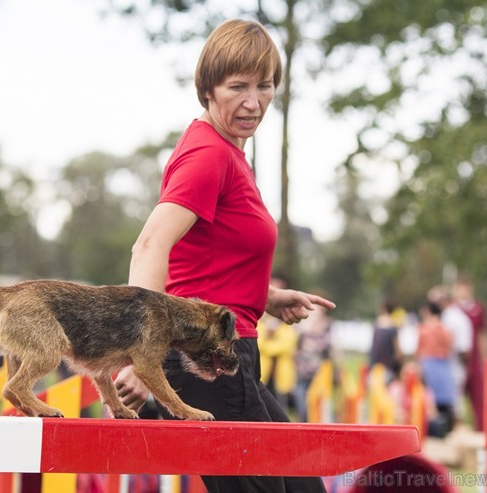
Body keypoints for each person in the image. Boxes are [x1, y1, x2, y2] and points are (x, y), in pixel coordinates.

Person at [113, 18, 334, 493]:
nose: (253, 102)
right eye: (237, 86)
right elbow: (150, 245)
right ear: (208, 89)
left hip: (230, 350)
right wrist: (141, 356)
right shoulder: (208, 155)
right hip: (208, 358)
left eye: (265, 85)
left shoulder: (231, 153)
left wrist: (265, 296)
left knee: (303, 486)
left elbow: (203, 261)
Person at [428, 284, 473, 424]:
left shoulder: (455, 318)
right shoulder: (446, 317)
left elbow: (464, 349)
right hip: (443, 368)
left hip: (453, 368)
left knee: (455, 405)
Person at [453, 275, 487, 431]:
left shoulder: (478, 309)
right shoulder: (452, 310)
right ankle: (456, 431)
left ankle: (481, 431)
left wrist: (486, 359)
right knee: (456, 399)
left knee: (479, 397)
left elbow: (483, 336)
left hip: (474, 360)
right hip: (456, 361)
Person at [415, 301, 455, 436]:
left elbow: (419, 350)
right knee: (444, 401)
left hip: (428, 365)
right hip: (443, 366)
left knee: (428, 400)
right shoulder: (446, 330)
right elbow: (450, 347)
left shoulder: (423, 329)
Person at [293, 300, 333, 422]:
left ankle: (313, 422)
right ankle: (303, 421)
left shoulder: (327, 326)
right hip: (302, 368)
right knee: (300, 397)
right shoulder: (303, 325)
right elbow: (296, 345)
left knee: (316, 400)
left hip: (318, 371)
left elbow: (327, 346)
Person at [257, 312, 298, 413]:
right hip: (264, 373)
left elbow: (284, 347)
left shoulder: (287, 329)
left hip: (281, 375)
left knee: (281, 404)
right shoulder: (260, 326)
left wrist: (267, 345)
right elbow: (259, 343)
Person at [368, 299, 403, 384]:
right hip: (387, 365)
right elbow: (398, 352)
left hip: (375, 364)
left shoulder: (376, 324)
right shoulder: (393, 326)